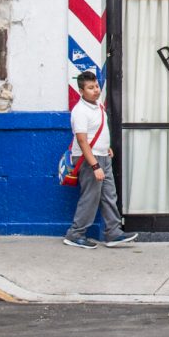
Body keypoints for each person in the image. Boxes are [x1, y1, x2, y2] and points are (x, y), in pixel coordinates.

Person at [63, 70, 138, 249]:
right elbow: (82, 140)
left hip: (103, 155)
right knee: (91, 197)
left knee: (109, 195)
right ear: (81, 91)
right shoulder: (80, 111)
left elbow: (98, 131)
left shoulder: (98, 106)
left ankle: (113, 232)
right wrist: (94, 165)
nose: (96, 90)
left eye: (96, 86)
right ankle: (75, 234)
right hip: (90, 159)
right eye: (90, 88)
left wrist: (106, 148)